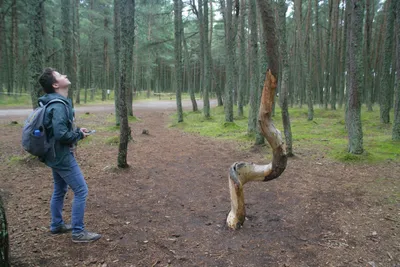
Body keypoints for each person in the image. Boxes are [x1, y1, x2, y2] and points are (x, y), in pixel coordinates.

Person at [38, 67, 101, 243]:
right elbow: (61, 135)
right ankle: (78, 233)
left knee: (60, 189)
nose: (64, 75)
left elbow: (59, 130)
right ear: (56, 84)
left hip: (54, 154)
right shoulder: (58, 104)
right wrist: (78, 135)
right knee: (81, 190)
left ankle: (57, 225)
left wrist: (76, 131)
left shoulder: (56, 102)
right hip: (61, 156)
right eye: (59, 75)